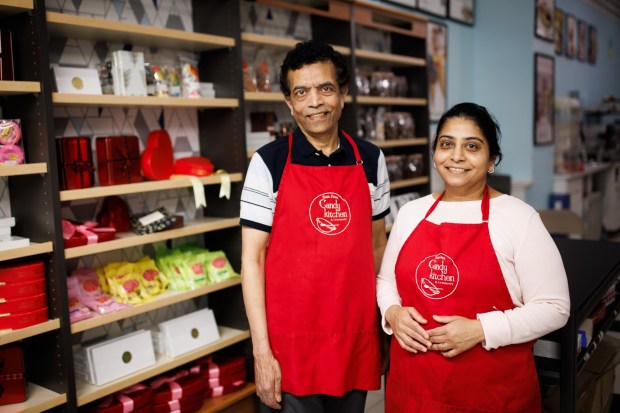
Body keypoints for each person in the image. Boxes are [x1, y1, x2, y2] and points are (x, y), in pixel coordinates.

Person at [377, 102, 570, 412]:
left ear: (492, 159)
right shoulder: (411, 214)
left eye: (472, 146)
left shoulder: (519, 218)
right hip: (414, 389)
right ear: (435, 153)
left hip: (491, 394)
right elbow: (386, 280)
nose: (456, 156)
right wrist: (393, 313)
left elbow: (555, 308)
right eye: (446, 144)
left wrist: (482, 329)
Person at [240, 40, 390, 412]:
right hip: (289, 343)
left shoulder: (371, 160)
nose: (315, 102)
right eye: (301, 92)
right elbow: (252, 261)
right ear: (289, 103)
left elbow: (377, 248)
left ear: (343, 94)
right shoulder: (268, 163)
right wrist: (262, 352)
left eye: (325, 88)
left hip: (353, 335)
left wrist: (384, 324)